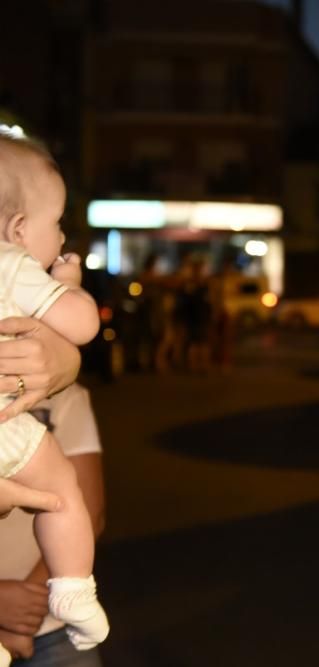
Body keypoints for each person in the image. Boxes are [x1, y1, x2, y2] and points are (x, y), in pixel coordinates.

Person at [0, 132, 109, 666]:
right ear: (18, 230)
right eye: (57, 224)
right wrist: (69, 284)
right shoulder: (11, 263)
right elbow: (82, 324)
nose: (63, 235)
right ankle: (73, 588)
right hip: (5, 428)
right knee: (62, 492)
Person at [0, 383, 106, 666]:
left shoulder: (65, 395)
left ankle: (71, 593)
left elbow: (91, 512)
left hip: (44, 616)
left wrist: (25, 613)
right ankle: (72, 592)